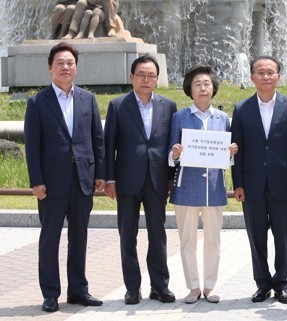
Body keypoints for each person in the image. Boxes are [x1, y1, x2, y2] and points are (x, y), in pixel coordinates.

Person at [24, 42, 105, 312]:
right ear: (50, 68)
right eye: (60, 63)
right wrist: (36, 181)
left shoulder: (88, 99)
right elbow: (32, 146)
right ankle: (50, 294)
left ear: (76, 67)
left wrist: (100, 174)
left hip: (82, 180)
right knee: (50, 238)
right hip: (51, 183)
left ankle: (78, 290)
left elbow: (97, 140)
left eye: (70, 62)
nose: (65, 67)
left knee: (79, 237)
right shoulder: (37, 102)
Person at [231, 56, 287, 305]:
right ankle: (262, 284)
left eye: (270, 72)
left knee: (283, 236)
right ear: (252, 77)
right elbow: (237, 149)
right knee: (256, 237)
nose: (266, 77)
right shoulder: (241, 108)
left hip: (284, 183)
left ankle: (281, 284)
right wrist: (238, 183)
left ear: (278, 76)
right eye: (260, 73)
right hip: (252, 184)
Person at [104, 55, 177, 305]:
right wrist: (109, 180)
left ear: (157, 79)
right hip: (126, 179)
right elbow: (108, 146)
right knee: (128, 234)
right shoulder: (117, 105)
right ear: (132, 77)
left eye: (151, 76)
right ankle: (132, 288)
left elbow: (171, 145)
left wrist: (170, 178)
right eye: (141, 75)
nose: (146, 80)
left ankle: (159, 286)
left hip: (157, 179)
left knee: (158, 234)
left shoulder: (168, 106)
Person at [168, 65, 238, 304]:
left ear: (213, 89)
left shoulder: (222, 119)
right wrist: (175, 153)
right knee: (187, 241)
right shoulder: (179, 117)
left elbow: (226, 158)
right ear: (190, 89)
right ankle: (193, 287)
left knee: (213, 242)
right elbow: (170, 155)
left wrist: (231, 152)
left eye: (207, 84)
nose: (203, 88)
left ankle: (209, 286)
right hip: (186, 187)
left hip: (214, 189)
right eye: (197, 84)